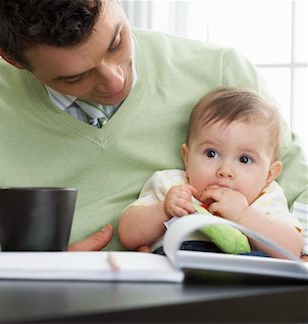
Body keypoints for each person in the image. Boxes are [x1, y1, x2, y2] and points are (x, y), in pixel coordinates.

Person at [0, 0, 308, 252]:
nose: (115, 80)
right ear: (14, 60)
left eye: (117, 43)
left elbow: (301, 192)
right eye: (74, 78)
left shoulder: (220, 73)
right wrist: (34, 276)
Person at [118, 87, 303, 258]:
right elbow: (127, 234)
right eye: (211, 153)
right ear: (187, 157)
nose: (225, 171)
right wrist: (163, 210)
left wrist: (243, 215)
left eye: (244, 159)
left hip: (244, 281)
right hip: (178, 274)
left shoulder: (267, 197)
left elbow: (292, 249)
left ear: (269, 175)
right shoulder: (172, 185)